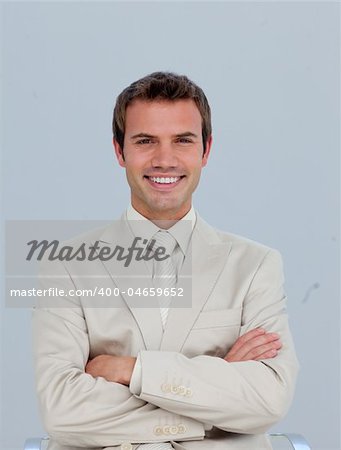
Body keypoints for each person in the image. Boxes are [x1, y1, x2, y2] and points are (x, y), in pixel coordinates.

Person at [33, 71, 299, 450]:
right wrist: (218, 389)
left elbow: (269, 399)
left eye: (183, 140)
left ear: (205, 151)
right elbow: (61, 410)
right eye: (145, 141)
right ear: (119, 150)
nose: (164, 159)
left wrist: (133, 370)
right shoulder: (65, 265)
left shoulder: (256, 265)